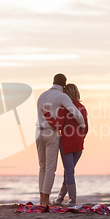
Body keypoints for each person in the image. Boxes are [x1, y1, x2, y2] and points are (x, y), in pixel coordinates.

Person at [36, 74, 85, 206]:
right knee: (51, 168)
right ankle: (46, 200)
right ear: (64, 85)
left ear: (53, 81)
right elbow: (76, 112)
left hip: (39, 132)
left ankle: (41, 199)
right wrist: (83, 125)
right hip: (51, 133)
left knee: (42, 167)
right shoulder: (62, 96)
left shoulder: (42, 95)